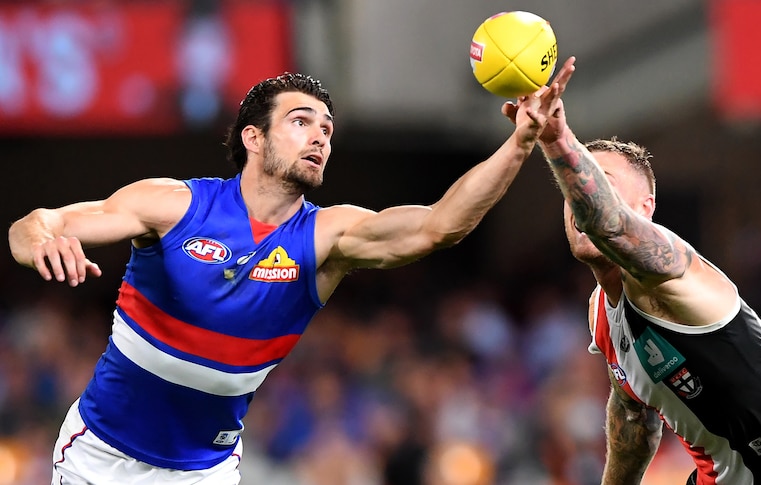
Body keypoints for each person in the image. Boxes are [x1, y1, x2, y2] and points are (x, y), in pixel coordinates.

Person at [7, 60, 575, 484]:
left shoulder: (327, 237)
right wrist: (40, 244)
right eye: (301, 121)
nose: (319, 136)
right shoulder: (172, 204)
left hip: (205, 472)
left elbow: (438, 226)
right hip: (99, 456)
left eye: (326, 129)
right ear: (253, 139)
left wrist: (521, 141)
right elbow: (37, 221)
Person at [502, 75, 761, 483]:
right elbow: (632, 420)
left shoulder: (671, 270)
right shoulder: (600, 310)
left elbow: (609, 223)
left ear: (645, 207)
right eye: (571, 192)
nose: (577, 200)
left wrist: (555, 138)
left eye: (602, 184)